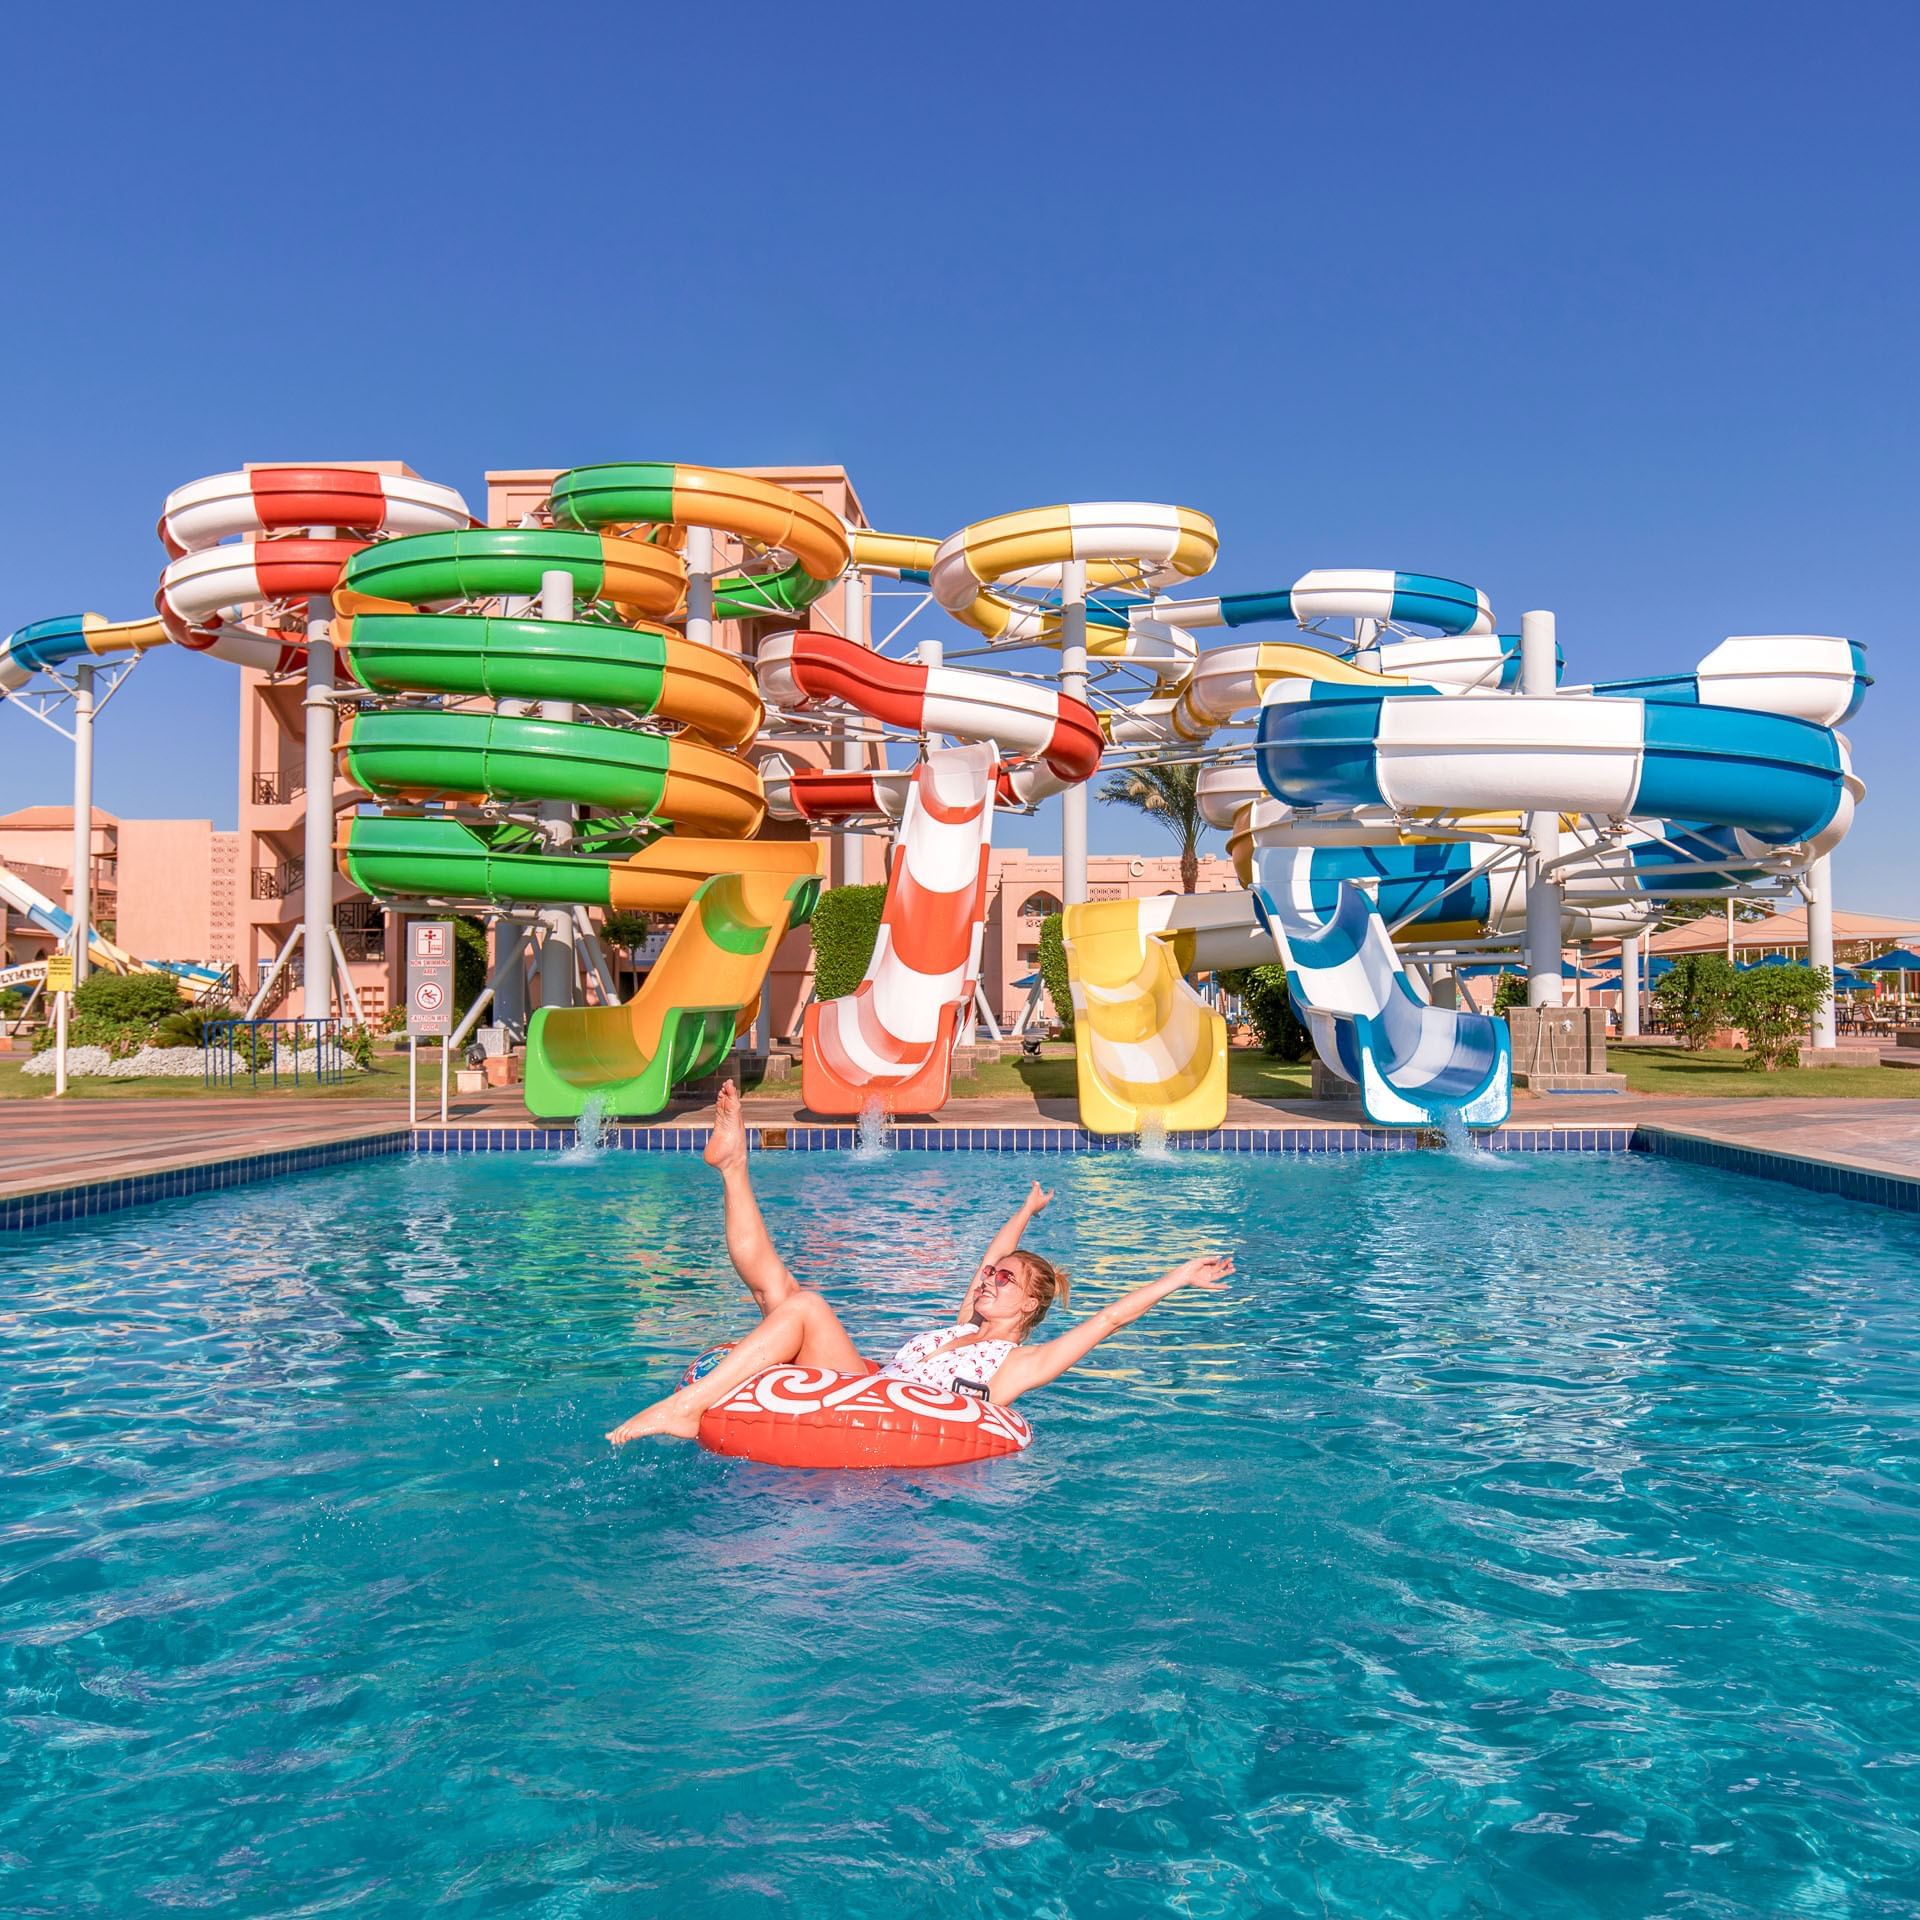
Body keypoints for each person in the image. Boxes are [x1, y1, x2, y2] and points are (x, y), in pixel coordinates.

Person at [606, 1081, 1232, 1445]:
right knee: (782, 1289)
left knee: (803, 1303)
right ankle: (734, 1164)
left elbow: (1108, 1322)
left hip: (877, 1407)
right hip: (861, 1385)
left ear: (1030, 1304)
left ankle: (685, 1409)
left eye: (1003, 1281)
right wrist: (1024, 1213)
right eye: (990, 1275)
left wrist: (1179, 1275)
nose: (989, 1280)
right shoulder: (964, 1326)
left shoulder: (1018, 1366)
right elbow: (991, 1254)